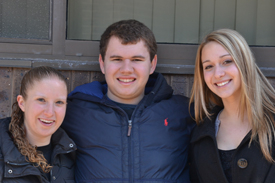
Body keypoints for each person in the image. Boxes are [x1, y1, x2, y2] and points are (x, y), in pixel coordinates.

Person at [62, 19, 194, 183]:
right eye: (117, 59)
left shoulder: (183, 112)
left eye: (137, 60)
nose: (126, 69)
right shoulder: (73, 112)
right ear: (102, 64)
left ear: (152, 64)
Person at [189, 29, 275, 183]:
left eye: (227, 61)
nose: (218, 73)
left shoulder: (272, 123)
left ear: (244, 62)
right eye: (208, 66)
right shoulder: (200, 134)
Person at [0, 66, 76, 182]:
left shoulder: (70, 153)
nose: (50, 112)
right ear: (22, 103)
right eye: (41, 100)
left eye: (59, 102)